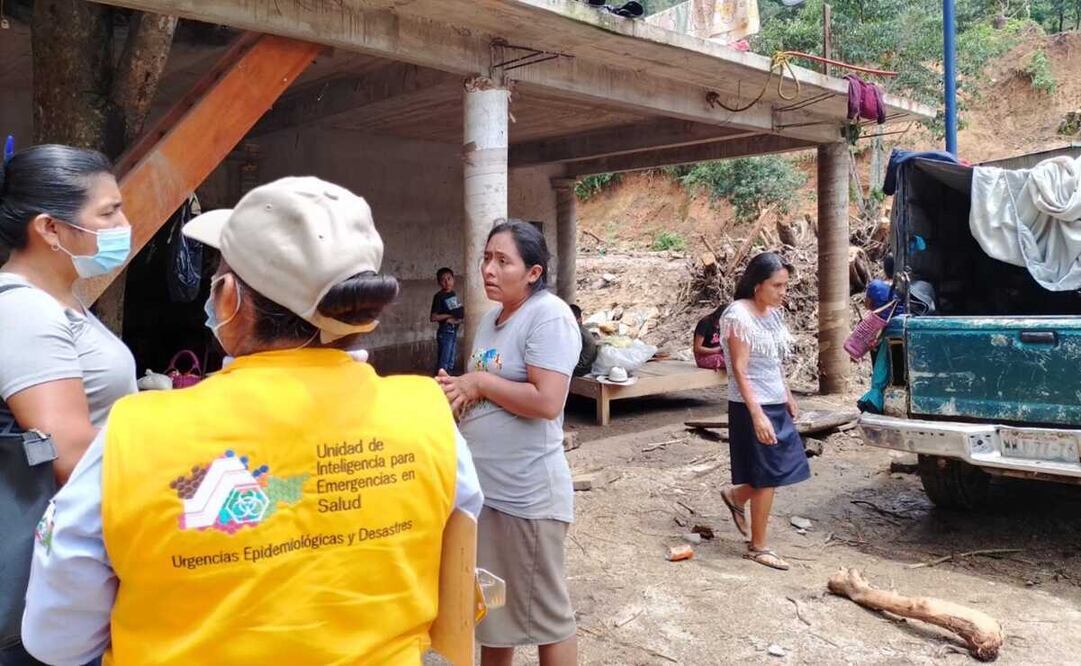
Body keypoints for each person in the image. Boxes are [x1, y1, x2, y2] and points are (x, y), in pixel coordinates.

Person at [21, 177, 484, 665]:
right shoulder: (428, 418)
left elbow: (57, 641)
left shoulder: (133, 435)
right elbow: (455, 576)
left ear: (228, 299)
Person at [0, 144, 136, 664]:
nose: (123, 224)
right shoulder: (24, 311)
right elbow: (67, 452)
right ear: (50, 229)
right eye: (109, 212)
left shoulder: (61, 300)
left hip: (82, 551)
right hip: (51, 567)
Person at [436, 220, 580, 666]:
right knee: (493, 613)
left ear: (533, 273)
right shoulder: (490, 320)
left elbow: (547, 401)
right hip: (489, 493)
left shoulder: (548, 315)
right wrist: (457, 390)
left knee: (547, 617)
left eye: (503, 261)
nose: (489, 269)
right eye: (486, 258)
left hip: (526, 496)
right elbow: (488, 393)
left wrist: (478, 382)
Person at [718, 252, 809, 571]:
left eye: (785, 285)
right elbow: (740, 370)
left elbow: (773, 361)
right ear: (758, 285)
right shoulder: (737, 316)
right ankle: (758, 547)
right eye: (777, 285)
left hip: (774, 401)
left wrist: (787, 394)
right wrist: (757, 414)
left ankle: (737, 496)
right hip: (751, 405)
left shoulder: (772, 313)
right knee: (767, 474)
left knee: (782, 467)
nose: (783, 292)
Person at [431, 267, 465, 373]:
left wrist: (458, 318)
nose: (447, 282)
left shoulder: (452, 294)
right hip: (446, 331)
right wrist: (449, 316)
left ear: (453, 279)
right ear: (439, 283)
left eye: (449, 278)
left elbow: (457, 311)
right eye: (443, 280)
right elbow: (433, 317)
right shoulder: (439, 296)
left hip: (453, 330)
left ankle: (447, 382)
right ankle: (439, 382)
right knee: (444, 364)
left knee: (450, 362)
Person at [692, 305, 727, 371]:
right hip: (704, 356)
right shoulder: (705, 323)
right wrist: (715, 350)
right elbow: (697, 348)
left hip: (718, 353)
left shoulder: (724, 325)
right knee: (730, 361)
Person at [568, 303, 598, 377]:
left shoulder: (577, 333)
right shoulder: (581, 330)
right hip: (583, 366)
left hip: (580, 369)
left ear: (579, 319)